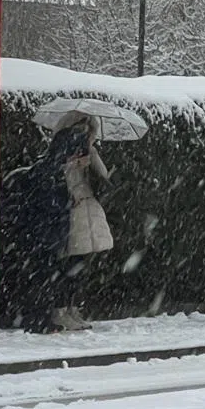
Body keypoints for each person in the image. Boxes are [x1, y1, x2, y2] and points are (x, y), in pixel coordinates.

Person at [0, 122, 90, 334]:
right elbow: (48, 204)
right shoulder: (50, 171)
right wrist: (67, 200)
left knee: (43, 277)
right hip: (42, 235)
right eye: (76, 154)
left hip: (42, 234)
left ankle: (39, 318)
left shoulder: (50, 168)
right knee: (41, 277)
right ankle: (38, 320)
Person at [55, 120, 114, 331]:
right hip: (73, 211)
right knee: (68, 264)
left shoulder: (90, 151)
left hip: (88, 210)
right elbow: (58, 178)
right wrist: (72, 164)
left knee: (79, 264)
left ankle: (72, 308)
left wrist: (91, 156)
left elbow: (104, 176)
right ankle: (61, 309)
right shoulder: (60, 151)